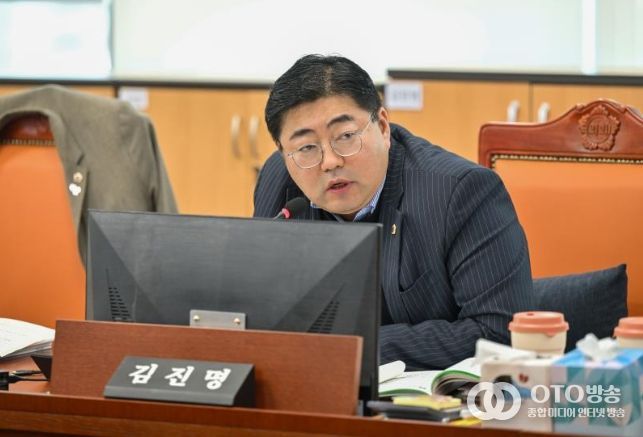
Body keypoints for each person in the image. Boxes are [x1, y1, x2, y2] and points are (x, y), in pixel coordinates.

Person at [253, 54, 533, 370]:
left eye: (346, 136)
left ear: (383, 127)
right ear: (284, 154)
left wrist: (353, 350)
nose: (330, 161)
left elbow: (497, 333)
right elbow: (263, 312)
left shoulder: (460, 192)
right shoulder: (280, 182)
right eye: (306, 147)